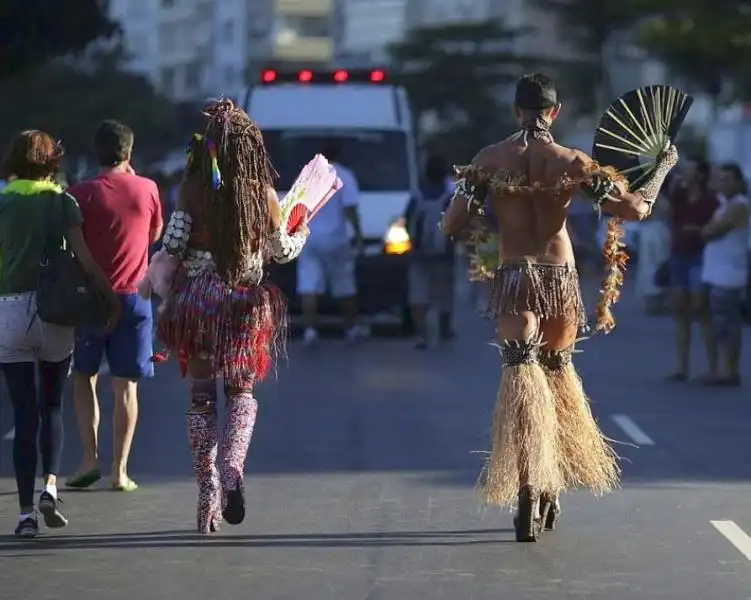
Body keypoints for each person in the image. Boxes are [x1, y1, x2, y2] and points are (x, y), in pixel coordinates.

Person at [442, 73, 679, 542]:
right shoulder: (571, 161)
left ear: (516, 111)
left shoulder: (489, 160)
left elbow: (453, 224)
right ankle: (548, 484)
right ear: (555, 111)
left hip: (513, 278)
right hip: (559, 280)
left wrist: (479, 222)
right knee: (555, 374)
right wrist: (663, 168)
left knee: (520, 376)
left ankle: (529, 483)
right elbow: (634, 209)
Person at [156, 100, 310, 534]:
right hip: (244, 304)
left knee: (202, 396)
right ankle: (232, 470)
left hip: (198, 303)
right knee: (241, 390)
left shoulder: (191, 189)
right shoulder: (263, 195)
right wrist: (301, 235)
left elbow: (173, 245)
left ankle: (207, 491)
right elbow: (280, 252)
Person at [0, 130, 118, 537]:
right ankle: (51, 484)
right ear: (52, 161)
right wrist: (109, 299)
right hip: (55, 312)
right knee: (52, 405)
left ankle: (25, 514)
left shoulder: (2, 200)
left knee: (22, 413)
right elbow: (84, 258)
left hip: (9, 311)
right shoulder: (61, 201)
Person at [66, 120, 163, 492]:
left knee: (84, 377)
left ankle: (89, 460)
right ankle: (120, 472)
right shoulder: (148, 188)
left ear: (97, 152)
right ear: (129, 152)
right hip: (136, 298)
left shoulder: (80, 193)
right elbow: (154, 234)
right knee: (127, 388)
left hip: (93, 299)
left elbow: (74, 244)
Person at [297, 139, 365, 346]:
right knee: (344, 284)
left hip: (309, 238)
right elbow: (350, 210)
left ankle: (309, 331)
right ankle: (351, 328)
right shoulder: (344, 176)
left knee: (309, 285)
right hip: (336, 239)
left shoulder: (308, 175)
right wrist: (359, 238)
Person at [664, 158, 718, 381]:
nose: (685, 173)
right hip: (679, 255)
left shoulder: (710, 200)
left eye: (690, 170)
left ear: (700, 175)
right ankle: (682, 366)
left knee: (702, 312)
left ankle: (713, 367)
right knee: (680, 313)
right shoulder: (678, 196)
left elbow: (713, 227)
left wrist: (699, 230)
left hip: (700, 257)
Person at [699, 162, 750, 386]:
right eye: (720, 179)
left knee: (727, 324)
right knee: (717, 323)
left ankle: (729, 371)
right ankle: (721, 369)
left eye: (728, 179)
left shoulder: (739, 204)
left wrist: (707, 228)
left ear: (739, 182)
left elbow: (712, 231)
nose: (722, 184)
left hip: (729, 275)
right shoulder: (724, 204)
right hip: (716, 272)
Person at [405, 154, 456, 348]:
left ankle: (421, 334)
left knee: (418, 292)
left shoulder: (417, 196)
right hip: (444, 253)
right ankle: (445, 330)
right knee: (444, 291)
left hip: (418, 253)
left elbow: (406, 220)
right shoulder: (449, 197)